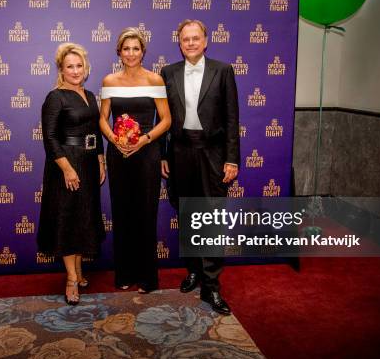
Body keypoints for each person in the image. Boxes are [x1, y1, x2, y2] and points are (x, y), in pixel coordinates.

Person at [160, 19, 240, 315]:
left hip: (212, 153)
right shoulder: (167, 72)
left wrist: (232, 158)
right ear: (179, 43)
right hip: (180, 152)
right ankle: (193, 270)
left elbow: (232, 118)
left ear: (205, 41)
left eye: (196, 38)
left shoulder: (223, 70)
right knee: (187, 214)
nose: (191, 43)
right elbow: (163, 121)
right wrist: (163, 155)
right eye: (185, 39)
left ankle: (212, 287)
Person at [99, 28, 171, 294]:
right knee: (122, 213)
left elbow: (166, 120)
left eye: (136, 48)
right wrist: (114, 140)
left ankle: (147, 277)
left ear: (143, 51)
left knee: (145, 214)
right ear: (119, 52)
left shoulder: (155, 80)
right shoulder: (109, 81)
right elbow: (102, 118)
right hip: (118, 154)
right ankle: (125, 274)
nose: (131, 53)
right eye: (126, 49)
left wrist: (145, 139)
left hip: (147, 153)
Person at [38, 43, 106, 305]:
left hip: (88, 163)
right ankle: (70, 280)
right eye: (70, 67)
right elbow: (50, 137)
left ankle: (78, 271)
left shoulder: (89, 94)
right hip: (66, 165)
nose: (75, 71)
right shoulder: (55, 97)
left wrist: (100, 160)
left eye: (79, 66)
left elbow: (95, 129)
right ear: (61, 70)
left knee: (82, 217)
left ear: (86, 68)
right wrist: (67, 168)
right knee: (67, 219)